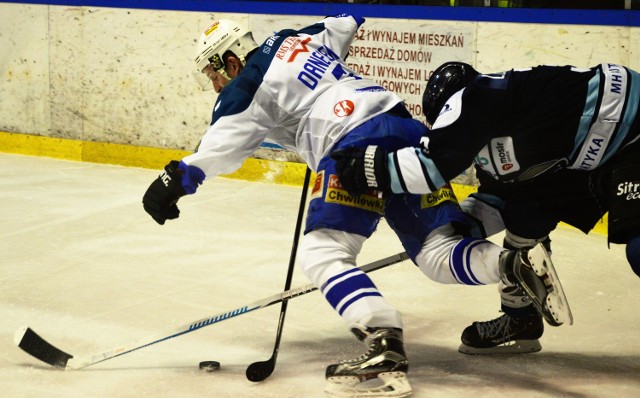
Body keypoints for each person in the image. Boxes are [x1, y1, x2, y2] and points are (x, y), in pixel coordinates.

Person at [141, 17, 564, 396]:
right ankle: (514, 265)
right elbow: (344, 22)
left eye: (214, 73)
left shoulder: (244, 86)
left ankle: (383, 342)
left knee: (323, 252)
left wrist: (172, 182)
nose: (215, 84)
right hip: (405, 132)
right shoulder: (294, 39)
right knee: (437, 254)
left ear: (230, 60)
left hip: (354, 149)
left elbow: (219, 151)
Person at [332, 61, 640, 355]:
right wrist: (456, 226)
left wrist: (373, 168)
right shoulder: (505, 136)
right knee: (526, 213)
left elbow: (431, 167)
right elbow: (500, 199)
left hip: (632, 125)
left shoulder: (476, 95)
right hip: (603, 153)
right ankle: (521, 320)